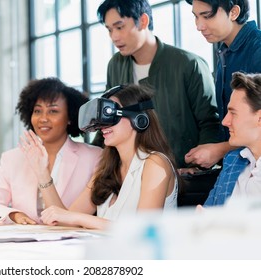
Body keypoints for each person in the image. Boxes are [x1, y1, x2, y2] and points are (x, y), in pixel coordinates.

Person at [21, 84, 178, 230]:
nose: (103, 125)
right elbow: (63, 221)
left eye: (109, 115)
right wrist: (42, 173)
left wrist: (79, 219)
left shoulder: (155, 164)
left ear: (138, 119)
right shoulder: (106, 169)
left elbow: (143, 231)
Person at [95, 0, 220, 172]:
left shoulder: (189, 65)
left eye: (120, 27)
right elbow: (107, 118)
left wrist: (196, 167)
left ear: (143, 21)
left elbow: (210, 124)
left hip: (181, 174)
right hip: (129, 173)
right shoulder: (115, 65)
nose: (114, 37)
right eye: (109, 30)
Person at [0, 77, 102, 224]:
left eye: (53, 111)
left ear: (70, 117)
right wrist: (14, 215)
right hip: (24, 243)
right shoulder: (13, 158)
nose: (43, 118)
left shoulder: (94, 157)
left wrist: (43, 174)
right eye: (37, 111)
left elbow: (71, 221)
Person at [185, 0, 261, 169]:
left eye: (206, 16)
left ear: (233, 12)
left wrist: (221, 150)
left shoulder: (257, 50)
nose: (199, 26)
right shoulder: (226, 51)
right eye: (196, 17)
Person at [203, 72, 261, 206]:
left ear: (259, 118)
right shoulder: (232, 160)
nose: (224, 121)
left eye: (233, 113)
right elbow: (208, 210)